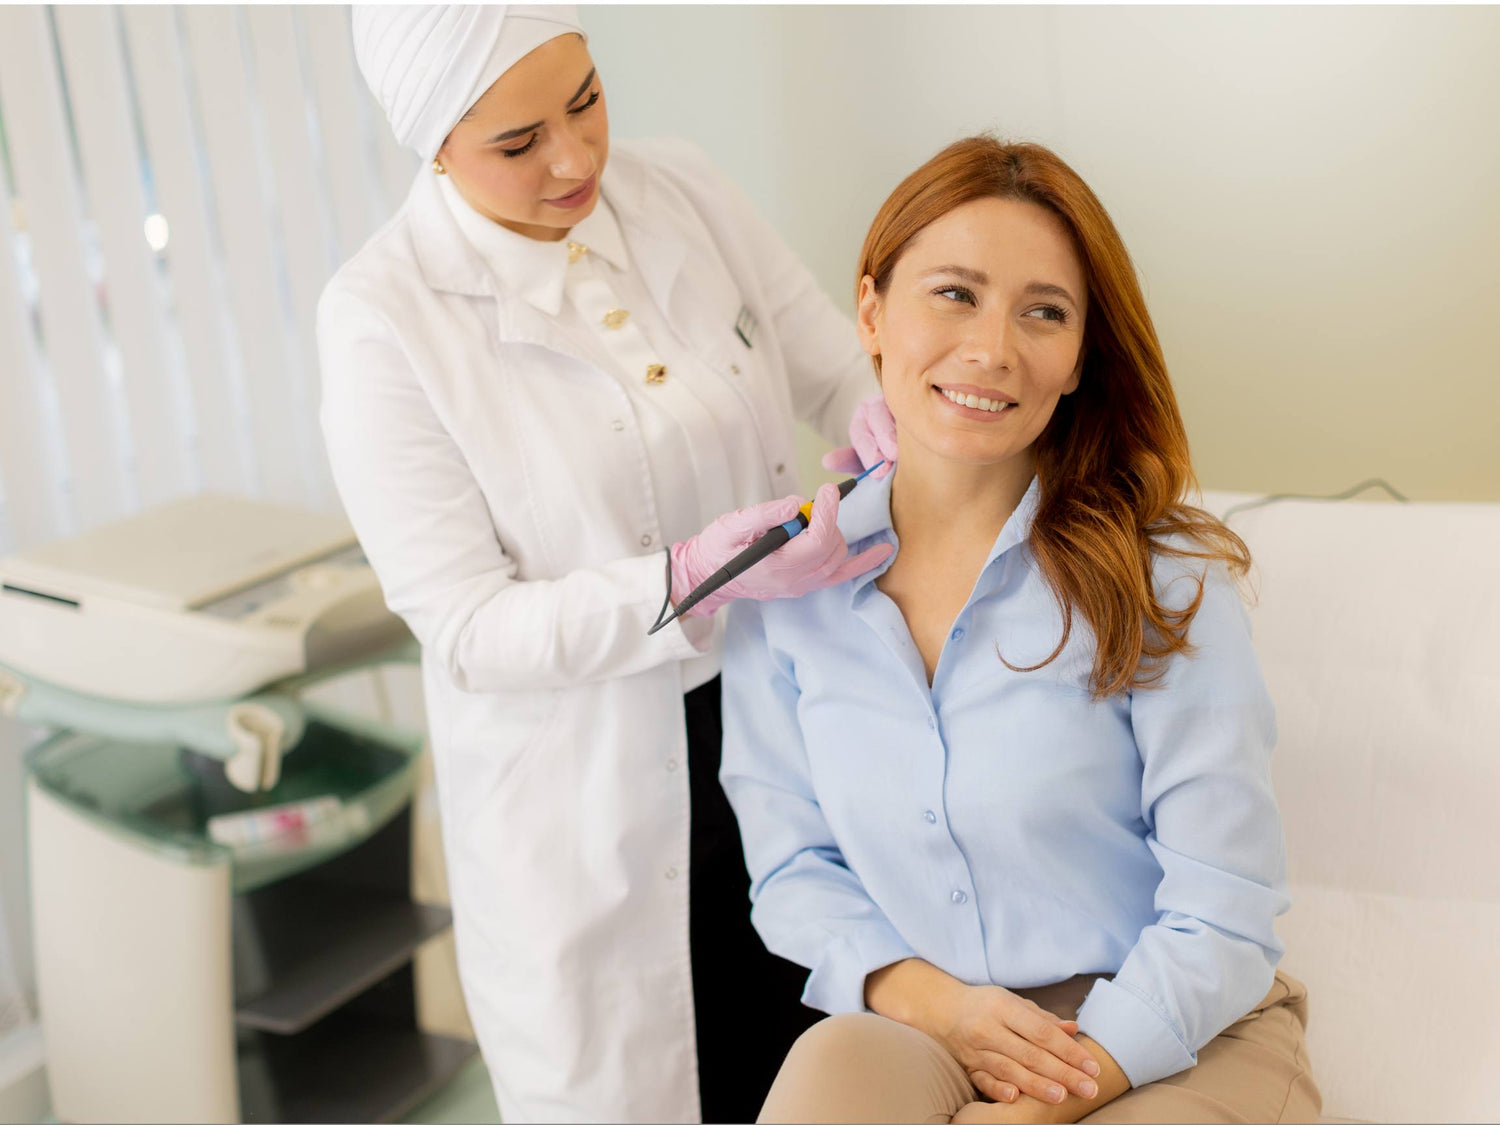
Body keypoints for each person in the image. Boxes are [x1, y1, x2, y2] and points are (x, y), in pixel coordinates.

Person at [318, 7, 897, 1122]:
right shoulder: (381, 319)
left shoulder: (681, 188)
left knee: (828, 1065)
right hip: (593, 794)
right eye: (517, 142)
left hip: (785, 722)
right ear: (434, 144)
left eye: (585, 101)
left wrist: (894, 419)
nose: (576, 158)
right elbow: (470, 629)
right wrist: (683, 578)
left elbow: (832, 361)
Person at [720, 136, 1323, 1124]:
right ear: (870, 312)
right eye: (954, 294)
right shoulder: (790, 589)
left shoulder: (1162, 575)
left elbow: (1226, 911)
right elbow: (791, 871)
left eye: (1043, 312)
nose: (993, 347)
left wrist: (1054, 1094)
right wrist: (939, 1008)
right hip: (926, 1022)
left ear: (1081, 353)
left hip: (1178, 1034)